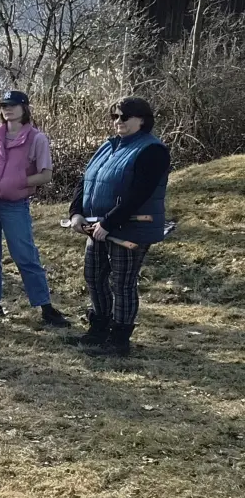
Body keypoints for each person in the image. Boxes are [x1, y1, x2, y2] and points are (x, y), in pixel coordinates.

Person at [67, 96, 170, 357]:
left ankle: (120, 339)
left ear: (142, 120)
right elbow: (86, 179)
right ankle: (99, 328)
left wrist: (110, 222)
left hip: (130, 228)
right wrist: (76, 213)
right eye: (115, 116)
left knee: (122, 283)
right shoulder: (109, 145)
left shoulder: (152, 150)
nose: (118, 122)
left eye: (124, 116)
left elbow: (140, 194)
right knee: (94, 277)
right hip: (97, 226)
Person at [0, 90, 71, 328]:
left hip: (14, 204)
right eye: (4, 105)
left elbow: (46, 175)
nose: (7, 109)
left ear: (25, 108)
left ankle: (45, 307)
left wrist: (18, 181)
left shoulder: (37, 139)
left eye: (13, 105)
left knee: (24, 255)